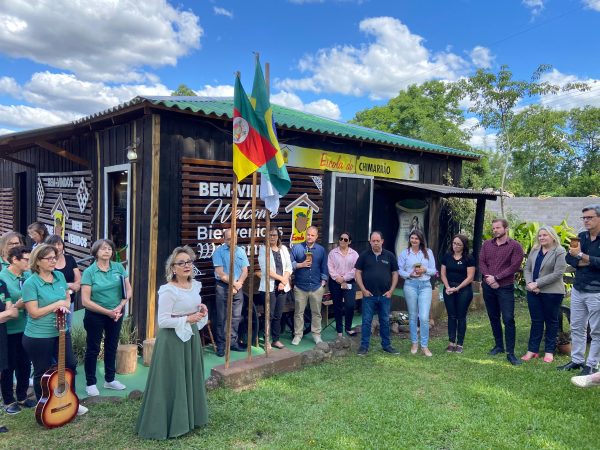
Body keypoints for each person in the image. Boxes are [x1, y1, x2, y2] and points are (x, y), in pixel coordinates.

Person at [136, 246, 209, 439]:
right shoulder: (168, 290)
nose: (186, 265)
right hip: (172, 340)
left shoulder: (196, 286)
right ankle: (168, 423)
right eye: (181, 263)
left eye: (189, 262)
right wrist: (187, 319)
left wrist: (201, 311)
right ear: (173, 268)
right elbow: (163, 321)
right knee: (172, 379)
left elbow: (193, 311)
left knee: (189, 376)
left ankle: (189, 418)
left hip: (190, 337)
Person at [20, 244, 88, 416]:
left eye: (54, 257)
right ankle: (44, 405)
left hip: (61, 330)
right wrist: (57, 305)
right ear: (37, 261)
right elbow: (34, 313)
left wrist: (64, 303)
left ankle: (70, 400)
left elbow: (67, 297)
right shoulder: (31, 283)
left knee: (70, 364)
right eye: (48, 258)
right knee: (42, 371)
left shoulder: (58, 276)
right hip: (38, 335)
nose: (53, 261)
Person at [81, 239, 131, 396]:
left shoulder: (118, 268)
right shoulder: (90, 272)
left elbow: (128, 291)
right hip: (95, 315)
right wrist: (106, 312)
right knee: (93, 348)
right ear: (96, 252)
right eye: (103, 249)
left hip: (115, 313)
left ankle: (110, 379)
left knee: (112, 346)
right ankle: (91, 383)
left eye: (109, 248)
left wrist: (120, 306)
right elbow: (85, 301)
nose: (107, 251)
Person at [560, 204, 600, 375]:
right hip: (578, 289)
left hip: (597, 291)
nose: (586, 221)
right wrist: (587, 260)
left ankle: (591, 365)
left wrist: (582, 256)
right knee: (577, 327)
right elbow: (570, 257)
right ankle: (577, 360)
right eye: (584, 218)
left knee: (597, 331)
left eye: (589, 217)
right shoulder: (581, 237)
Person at [479, 218, 524, 366]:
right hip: (488, 286)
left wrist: (497, 278)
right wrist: (489, 279)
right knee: (493, 317)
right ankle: (499, 346)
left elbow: (514, 266)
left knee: (508, 318)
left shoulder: (515, 246)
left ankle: (510, 353)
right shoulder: (486, 244)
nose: (495, 230)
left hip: (505, 287)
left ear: (506, 228)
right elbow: (482, 262)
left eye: (498, 228)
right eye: (493, 228)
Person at [522, 226, 567, 363]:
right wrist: (530, 283)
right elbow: (527, 268)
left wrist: (538, 283)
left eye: (545, 235)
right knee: (536, 321)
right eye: (540, 235)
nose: (541, 237)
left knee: (551, 322)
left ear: (552, 236)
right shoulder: (535, 250)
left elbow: (558, 273)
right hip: (533, 291)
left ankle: (549, 351)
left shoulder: (559, 251)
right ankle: (532, 350)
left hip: (552, 292)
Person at [0, 246, 34, 415]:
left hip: (26, 326)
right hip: (8, 329)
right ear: (14, 260)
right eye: (26, 259)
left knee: (25, 363)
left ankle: (22, 395)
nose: (29, 262)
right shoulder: (3, 278)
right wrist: (17, 306)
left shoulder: (27, 275)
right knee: (8, 365)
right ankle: (8, 399)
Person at [355, 231, 400, 355]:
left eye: (377, 240)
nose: (375, 243)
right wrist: (363, 290)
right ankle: (364, 346)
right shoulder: (364, 256)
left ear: (382, 241)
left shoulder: (389, 256)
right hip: (369, 295)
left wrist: (391, 290)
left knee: (385, 321)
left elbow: (395, 273)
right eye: (373, 241)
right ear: (370, 242)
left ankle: (386, 345)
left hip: (385, 295)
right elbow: (357, 272)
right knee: (366, 321)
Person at [398, 230, 437, 356]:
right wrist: (409, 274)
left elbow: (433, 270)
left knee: (424, 317)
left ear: (421, 240)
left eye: (416, 238)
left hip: (425, 285)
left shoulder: (428, 252)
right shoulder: (405, 253)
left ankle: (424, 346)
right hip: (410, 285)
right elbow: (399, 270)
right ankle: (414, 342)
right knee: (413, 315)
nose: (414, 240)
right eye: (412, 238)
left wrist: (424, 270)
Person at [212, 228, 249, 357]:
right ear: (224, 239)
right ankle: (221, 345)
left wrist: (238, 285)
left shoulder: (241, 251)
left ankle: (232, 343)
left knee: (236, 317)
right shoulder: (218, 252)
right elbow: (220, 273)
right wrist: (234, 283)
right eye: (228, 239)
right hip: (223, 287)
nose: (231, 241)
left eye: (233, 238)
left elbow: (245, 271)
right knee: (222, 317)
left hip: (238, 286)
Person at [290, 226, 328, 345]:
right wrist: (300, 265)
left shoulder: (321, 250)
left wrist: (323, 282)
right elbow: (289, 264)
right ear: (305, 234)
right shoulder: (297, 248)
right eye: (308, 234)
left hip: (316, 286)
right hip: (300, 286)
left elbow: (324, 267)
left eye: (312, 235)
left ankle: (316, 335)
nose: (310, 237)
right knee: (298, 313)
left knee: (316, 313)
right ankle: (298, 335)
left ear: (316, 236)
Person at [440, 234, 476, 353]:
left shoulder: (469, 258)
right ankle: (451, 342)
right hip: (449, 288)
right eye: (454, 243)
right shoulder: (447, 256)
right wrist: (448, 287)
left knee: (461, 316)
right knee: (451, 316)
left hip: (463, 289)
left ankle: (460, 343)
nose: (455, 246)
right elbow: (443, 274)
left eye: (459, 244)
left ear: (464, 246)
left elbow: (470, 277)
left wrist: (458, 288)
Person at [258, 227, 292, 350]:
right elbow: (266, 270)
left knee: (278, 314)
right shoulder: (263, 250)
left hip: (283, 287)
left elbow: (289, 267)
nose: (272, 237)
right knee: (269, 315)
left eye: (274, 235)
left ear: (278, 236)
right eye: (270, 235)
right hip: (270, 287)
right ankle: (267, 340)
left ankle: (276, 339)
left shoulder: (283, 249)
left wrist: (284, 281)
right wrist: (281, 279)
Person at [327, 231, 359, 337]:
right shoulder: (332, 253)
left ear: (349, 241)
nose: (342, 241)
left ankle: (348, 328)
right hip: (335, 282)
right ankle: (339, 331)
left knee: (350, 305)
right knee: (337, 306)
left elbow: (355, 269)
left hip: (349, 282)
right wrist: (338, 278)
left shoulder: (354, 254)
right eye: (341, 239)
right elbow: (330, 268)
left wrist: (344, 278)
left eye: (345, 239)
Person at [46, 235, 81, 328]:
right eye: (54, 245)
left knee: (67, 328)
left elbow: (78, 283)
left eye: (59, 244)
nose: (57, 247)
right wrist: (68, 285)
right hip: (52, 303)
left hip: (70, 301)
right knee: (53, 328)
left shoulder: (70, 259)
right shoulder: (47, 262)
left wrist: (70, 286)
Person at [0, 288, 19, 433]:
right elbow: (9, 311)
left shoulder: (1, 285)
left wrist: (5, 314)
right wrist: (6, 313)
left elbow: (14, 313)